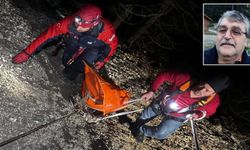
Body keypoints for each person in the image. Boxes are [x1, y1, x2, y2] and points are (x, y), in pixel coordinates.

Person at [12, 4, 118, 80]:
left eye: (83, 25)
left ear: (93, 24)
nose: (78, 27)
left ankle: (70, 76)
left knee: (80, 65)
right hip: (75, 40)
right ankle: (69, 59)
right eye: (77, 23)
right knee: (66, 60)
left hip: (93, 46)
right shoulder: (68, 23)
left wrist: (102, 60)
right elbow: (45, 37)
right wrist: (26, 53)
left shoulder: (107, 31)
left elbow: (111, 46)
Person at [130, 71, 230, 142]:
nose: (201, 90)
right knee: (143, 116)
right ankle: (136, 125)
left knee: (161, 134)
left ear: (213, 93)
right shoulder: (185, 79)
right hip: (163, 102)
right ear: (201, 80)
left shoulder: (214, 101)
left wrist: (197, 115)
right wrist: (151, 90)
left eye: (207, 91)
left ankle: (142, 130)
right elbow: (163, 75)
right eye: (202, 85)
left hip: (180, 114)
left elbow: (207, 112)